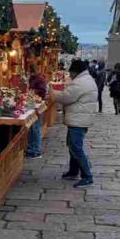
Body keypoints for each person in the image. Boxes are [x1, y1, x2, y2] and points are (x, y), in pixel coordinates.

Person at [51, 59, 97, 188]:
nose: (69, 75)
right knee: (72, 145)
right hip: (80, 118)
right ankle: (73, 171)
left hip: (79, 119)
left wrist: (53, 92)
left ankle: (87, 176)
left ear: (75, 71)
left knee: (76, 147)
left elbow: (66, 97)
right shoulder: (85, 79)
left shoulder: (80, 83)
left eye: (70, 72)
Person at [26, 66, 49, 159]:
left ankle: (36, 150)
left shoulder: (39, 79)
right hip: (32, 104)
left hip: (37, 105)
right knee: (32, 128)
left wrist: (32, 91)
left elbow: (43, 92)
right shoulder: (31, 79)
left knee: (35, 128)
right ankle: (32, 148)